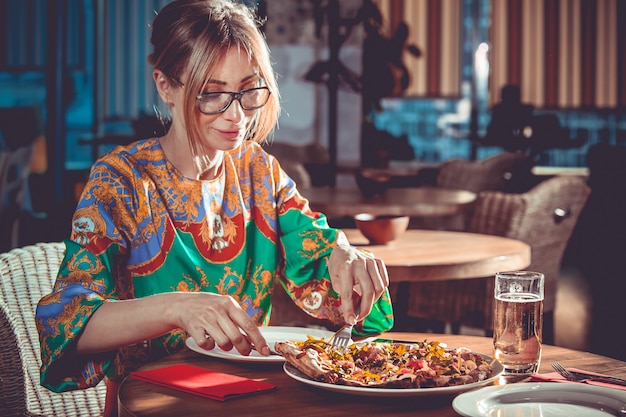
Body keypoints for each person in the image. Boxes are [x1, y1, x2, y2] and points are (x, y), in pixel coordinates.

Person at [35, 0, 394, 415]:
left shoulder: (260, 171)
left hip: (255, 399)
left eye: (248, 90)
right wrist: (177, 307)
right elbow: (67, 326)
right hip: (154, 403)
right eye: (212, 94)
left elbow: (327, 274)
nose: (237, 114)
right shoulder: (121, 182)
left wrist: (345, 257)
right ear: (166, 86)